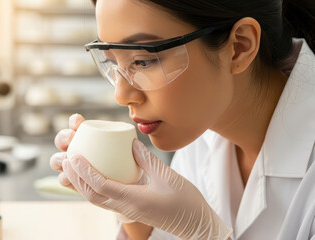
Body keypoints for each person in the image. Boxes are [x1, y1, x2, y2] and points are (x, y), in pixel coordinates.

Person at [50, 0, 315, 239]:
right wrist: (130, 206)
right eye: (110, 62)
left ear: (239, 47)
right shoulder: (201, 124)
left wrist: (207, 235)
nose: (121, 95)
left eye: (143, 61)